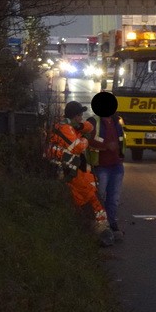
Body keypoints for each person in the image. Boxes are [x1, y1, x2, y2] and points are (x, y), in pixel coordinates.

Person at [45, 101, 114, 247]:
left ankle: (91, 229)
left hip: (74, 171)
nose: (81, 118)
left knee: (83, 199)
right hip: (70, 172)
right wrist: (86, 138)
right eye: (79, 116)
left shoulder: (72, 127)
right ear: (74, 116)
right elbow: (78, 147)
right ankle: (101, 230)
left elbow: (89, 126)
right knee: (91, 198)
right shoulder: (65, 128)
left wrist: (81, 127)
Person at [86, 91, 126, 242]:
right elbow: (86, 141)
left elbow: (122, 139)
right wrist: (105, 147)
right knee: (99, 197)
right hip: (101, 165)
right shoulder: (93, 122)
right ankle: (99, 224)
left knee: (114, 198)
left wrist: (121, 156)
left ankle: (111, 224)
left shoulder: (117, 121)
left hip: (116, 165)